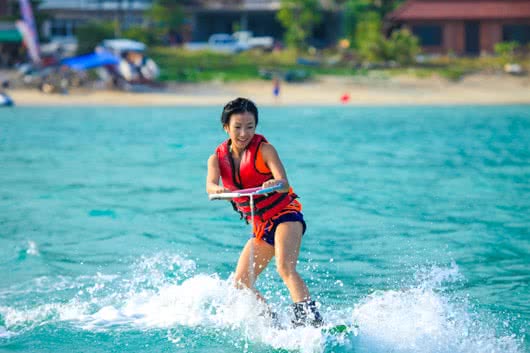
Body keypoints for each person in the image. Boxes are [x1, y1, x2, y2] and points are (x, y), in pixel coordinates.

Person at [206, 97, 323, 327]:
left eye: (250, 127)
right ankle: (274, 322)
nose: (243, 133)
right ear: (226, 127)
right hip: (261, 226)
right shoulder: (217, 158)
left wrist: (274, 183)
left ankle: (311, 322)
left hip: (285, 215)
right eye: (237, 127)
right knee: (240, 283)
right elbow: (209, 185)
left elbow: (283, 181)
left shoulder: (265, 150)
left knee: (285, 267)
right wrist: (217, 189)